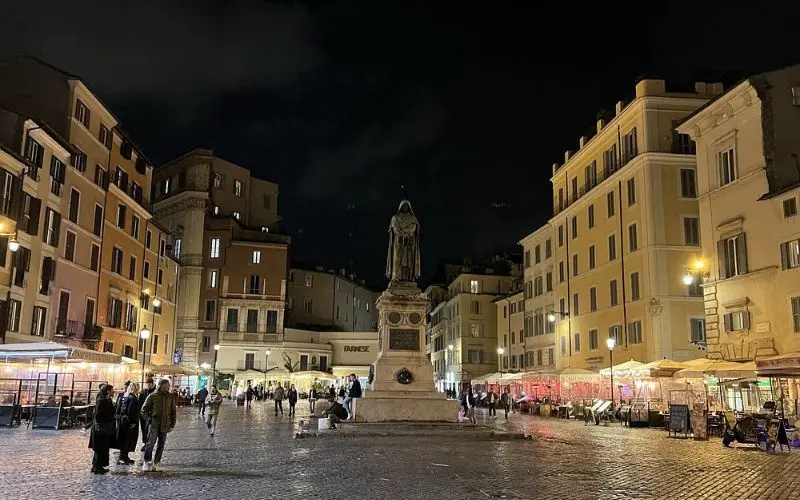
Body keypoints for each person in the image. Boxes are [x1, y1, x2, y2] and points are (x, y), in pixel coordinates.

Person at [140, 379, 177, 472]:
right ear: (162, 386)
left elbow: (173, 411)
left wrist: (172, 423)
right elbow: (143, 410)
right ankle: (146, 461)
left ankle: (157, 462)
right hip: (154, 424)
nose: (169, 386)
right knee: (150, 443)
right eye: (168, 385)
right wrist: (149, 420)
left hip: (165, 424)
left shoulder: (170, 397)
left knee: (161, 444)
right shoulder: (152, 396)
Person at [88, 384, 115, 474]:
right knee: (100, 448)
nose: (113, 391)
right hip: (101, 428)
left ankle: (97, 465)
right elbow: (99, 415)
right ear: (108, 391)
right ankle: (97, 467)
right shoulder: (102, 401)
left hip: (103, 428)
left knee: (102, 448)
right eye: (112, 390)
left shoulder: (106, 400)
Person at [116, 382, 140, 465]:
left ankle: (124, 456)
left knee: (125, 439)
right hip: (128, 422)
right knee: (126, 439)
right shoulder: (132, 397)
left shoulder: (125, 396)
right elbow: (131, 410)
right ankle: (122, 457)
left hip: (123, 421)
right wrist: (132, 421)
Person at [138, 378, 155, 450]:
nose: (148, 385)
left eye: (149, 384)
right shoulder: (144, 391)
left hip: (151, 414)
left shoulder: (155, 392)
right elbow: (140, 402)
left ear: (152, 383)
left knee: (150, 430)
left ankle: (149, 444)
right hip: (143, 414)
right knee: (144, 429)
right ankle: (145, 443)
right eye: (147, 384)